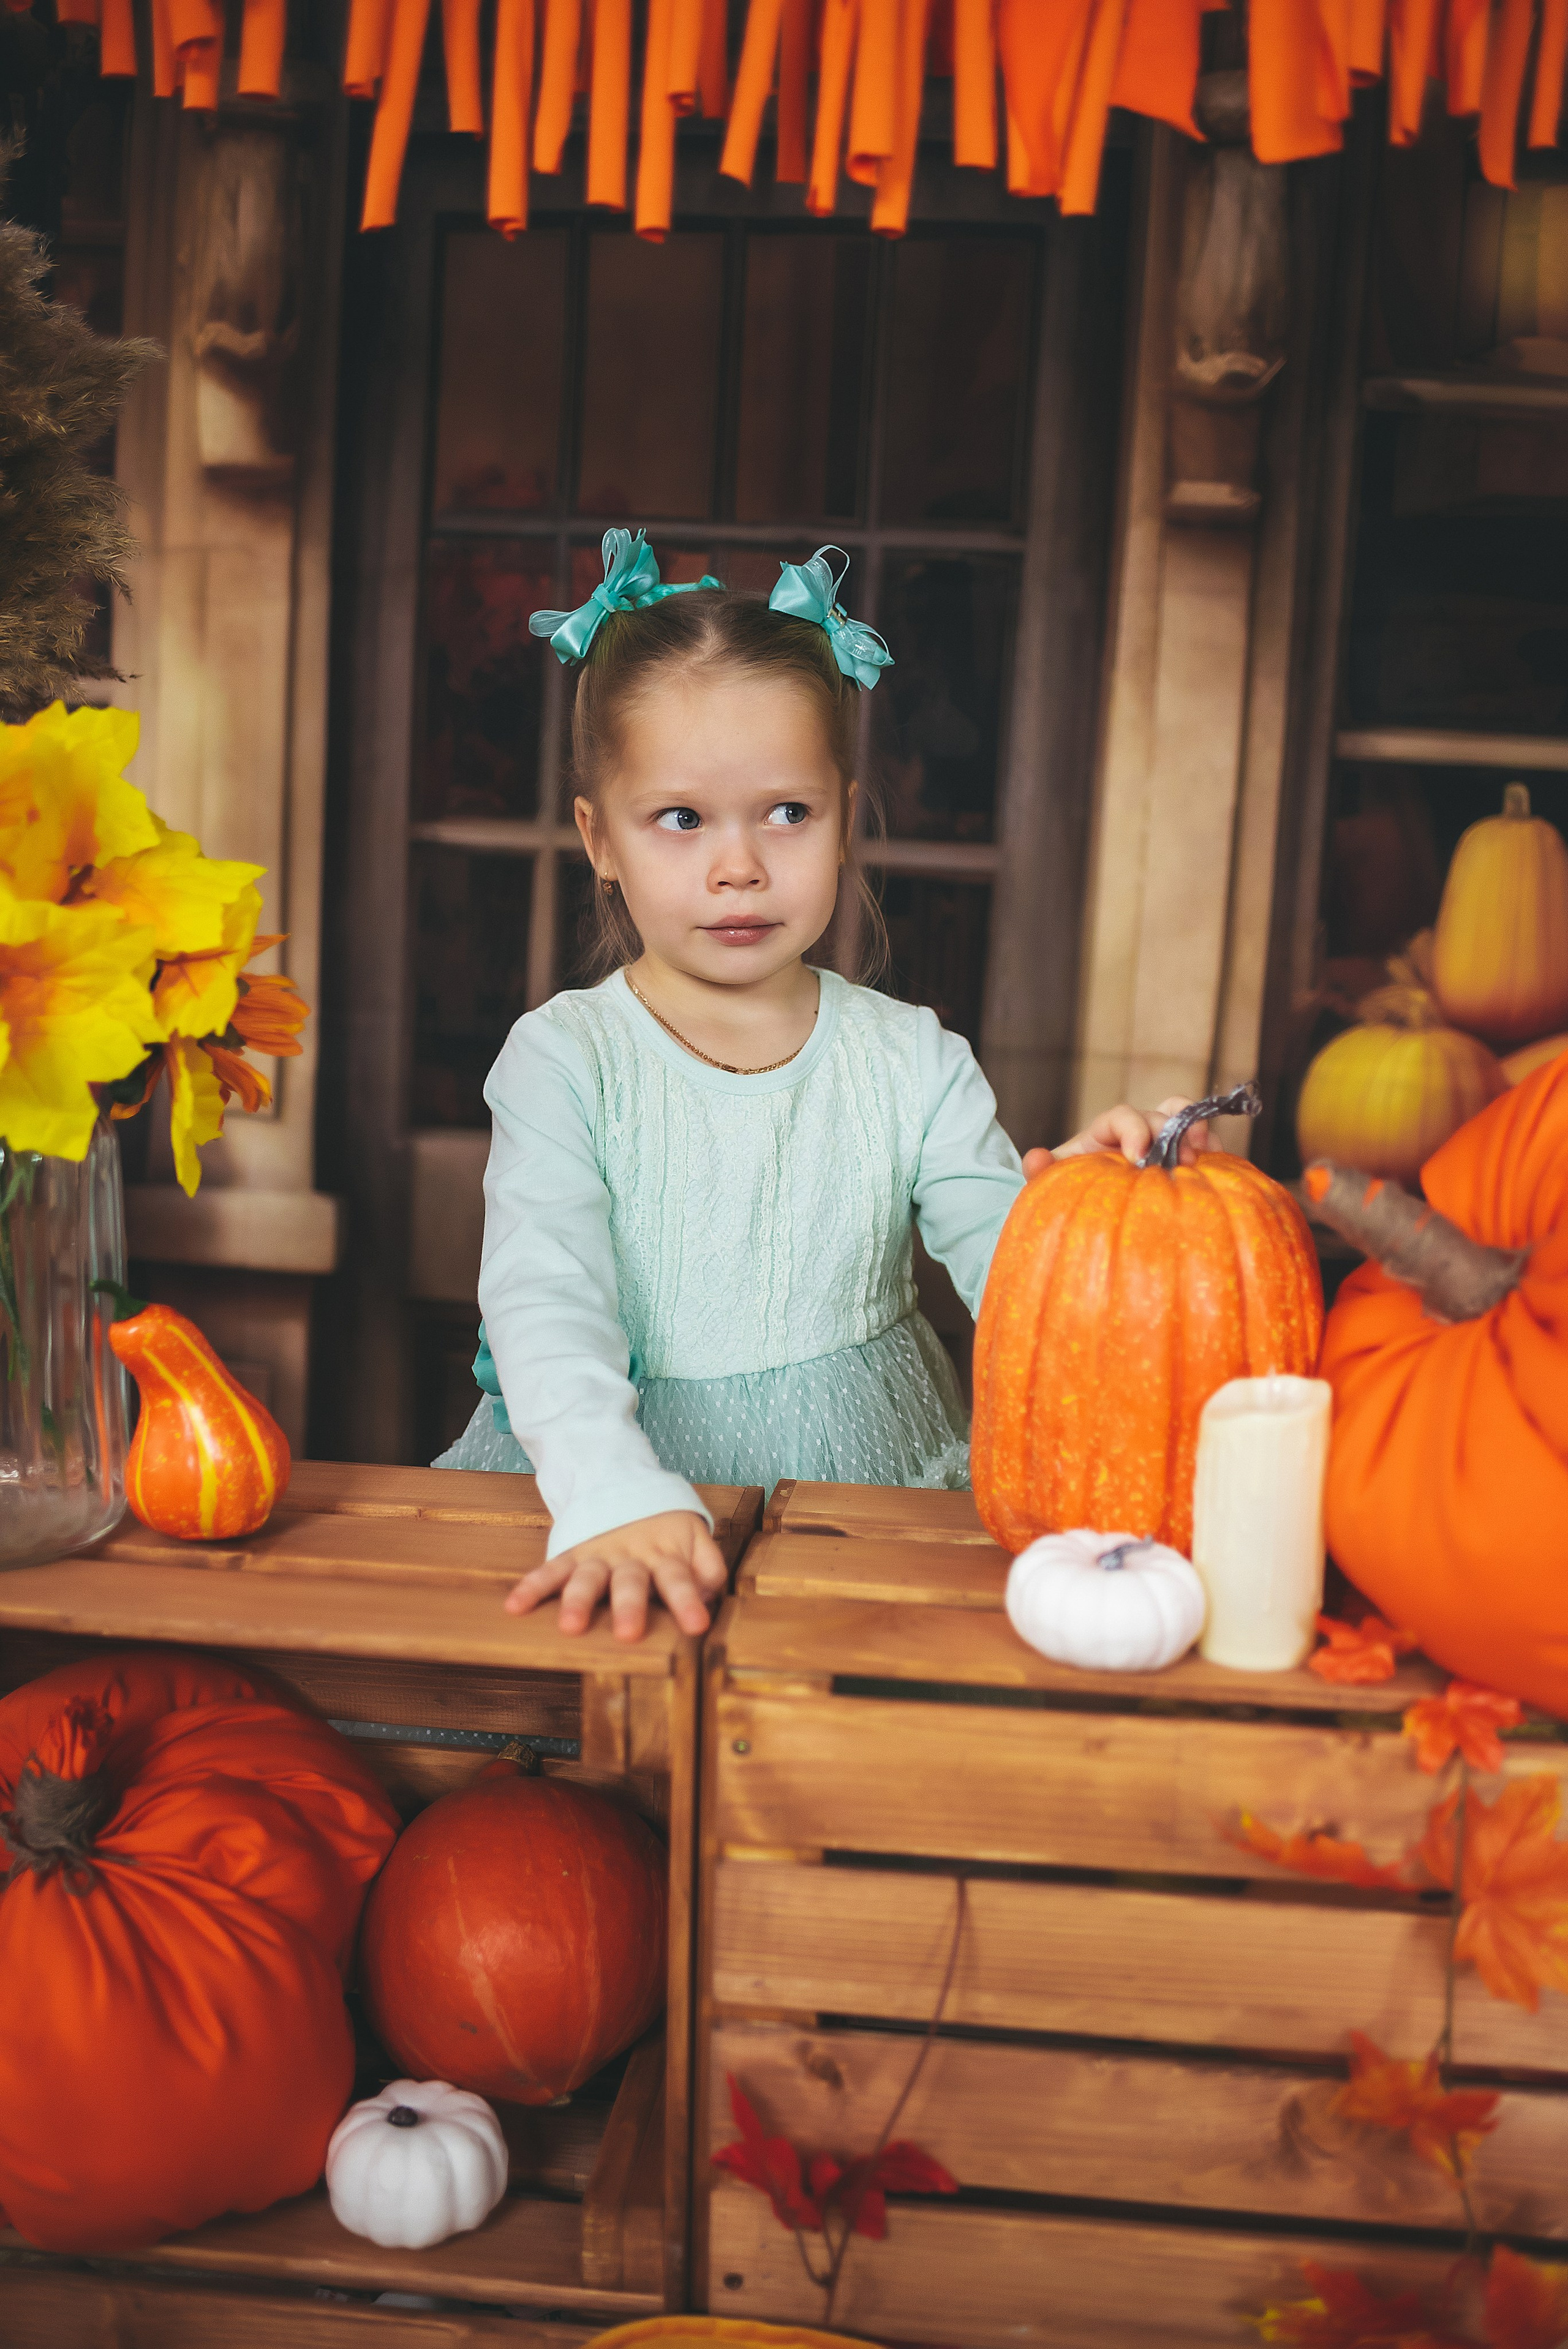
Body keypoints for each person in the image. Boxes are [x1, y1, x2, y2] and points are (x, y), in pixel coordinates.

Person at [435, 530, 1213, 1641]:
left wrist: (1085, 1216)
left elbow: (1016, 1281)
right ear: (598, 838)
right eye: (683, 819)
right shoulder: (566, 1062)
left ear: (845, 818)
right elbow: (542, 1297)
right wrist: (611, 1492)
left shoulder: (912, 1060)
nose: (739, 864)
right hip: (610, 1482)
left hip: (862, 1494)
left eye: (787, 813)